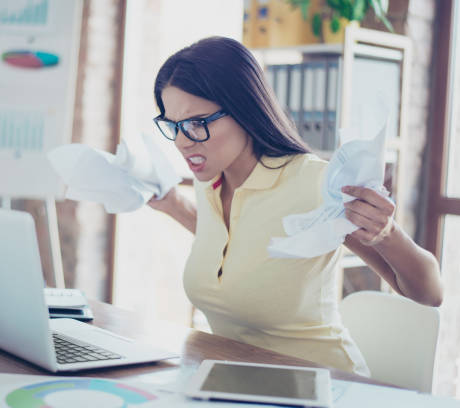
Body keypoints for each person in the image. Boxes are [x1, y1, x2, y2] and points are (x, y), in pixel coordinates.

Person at [148, 36, 443, 376]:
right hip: (241, 385)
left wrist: (386, 232)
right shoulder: (211, 179)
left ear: (244, 108)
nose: (183, 141)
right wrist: (172, 205)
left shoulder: (317, 184)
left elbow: (429, 292)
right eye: (174, 126)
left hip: (323, 386)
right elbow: (244, 240)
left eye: (197, 123)